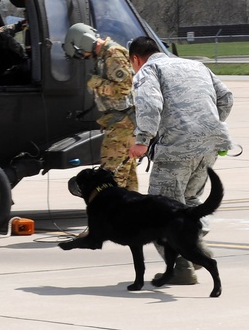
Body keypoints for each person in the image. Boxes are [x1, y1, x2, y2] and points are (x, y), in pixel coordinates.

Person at [127, 35, 234, 286]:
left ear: (136, 58)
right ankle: (195, 248)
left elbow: (150, 103)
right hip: (210, 145)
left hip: (176, 149)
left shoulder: (148, 70)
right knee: (192, 202)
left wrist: (143, 139)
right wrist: (208, 126)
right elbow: (226, 98)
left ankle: (181, 267)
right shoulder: (196, 65)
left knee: (158, 212)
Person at [63, 22, 138, 191]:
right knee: (127, 176)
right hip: (120, 122)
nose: (84, 55)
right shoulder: (104, 56)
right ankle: (133, 213)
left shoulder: (113, 54)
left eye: (81, 51)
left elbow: (124, 87)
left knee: (112, 175)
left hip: (123, 123)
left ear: (84, 42)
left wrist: (95, 82)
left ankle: (114, 212)